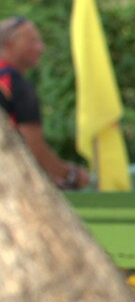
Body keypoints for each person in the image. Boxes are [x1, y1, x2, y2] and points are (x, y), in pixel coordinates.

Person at [0, 16, 91, 190]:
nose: (40, 48)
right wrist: (69, 174)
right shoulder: (13, 83)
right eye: (33, 41)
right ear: (11, 43)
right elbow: (33, 147)